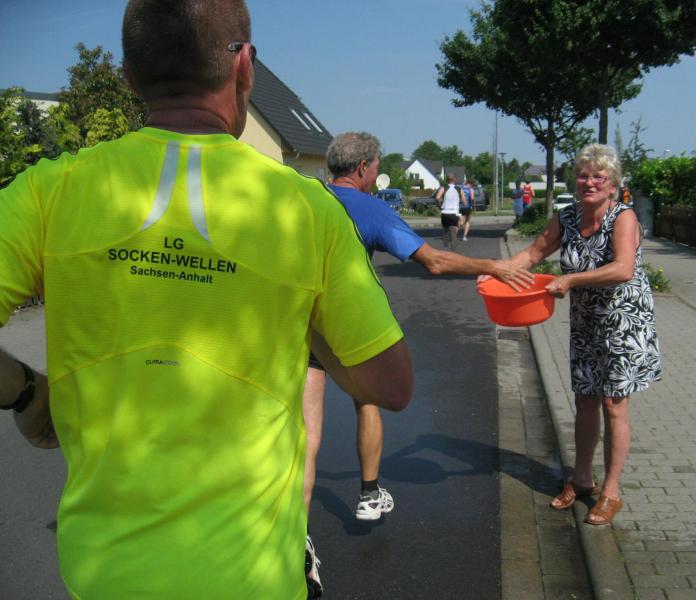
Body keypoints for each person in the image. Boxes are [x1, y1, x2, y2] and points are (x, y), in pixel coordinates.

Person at [0, 3, 414, 599]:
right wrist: (304, 317)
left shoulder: (49, 190)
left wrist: (23, 390)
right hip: (255, 579)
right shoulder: (305, 209)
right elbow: (392, 385)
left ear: (130, 75)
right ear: (244, 66)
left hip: (105, 579)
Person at [303, 132, 534, 595]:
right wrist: (495, 267)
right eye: (376, 168)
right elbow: (434, 262)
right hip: (347, 322)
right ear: (365, 168)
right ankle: (369, 493)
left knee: (305, 435)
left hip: (300, 322)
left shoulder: (305, 198)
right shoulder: (370, 208)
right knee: (368, 398)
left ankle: (296, 538)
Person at [506, 143, 661, 526]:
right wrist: (497, 272)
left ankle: (612, 491)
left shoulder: (623, 217)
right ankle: (581, 479)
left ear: (613, 184)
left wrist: (571, 279)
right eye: (582, 175)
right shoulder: (568, 217)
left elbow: (623, 268)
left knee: (613, 404)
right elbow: (532, 254)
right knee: (585, 400)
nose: (588, 182)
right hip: (587, 322)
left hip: (624, 322)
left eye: (598, 177)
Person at [435, 173, 465, 249]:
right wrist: (463, 204)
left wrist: (438, 205)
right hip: (454, 212)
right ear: (454, 179)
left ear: (447, 180)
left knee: (445, 229)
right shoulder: (459, 189)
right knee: (454, 228)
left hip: (445, 212)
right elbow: (464, 201)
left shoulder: (443, 188)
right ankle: (453, 246)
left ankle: (445, 246)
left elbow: (437, 198)